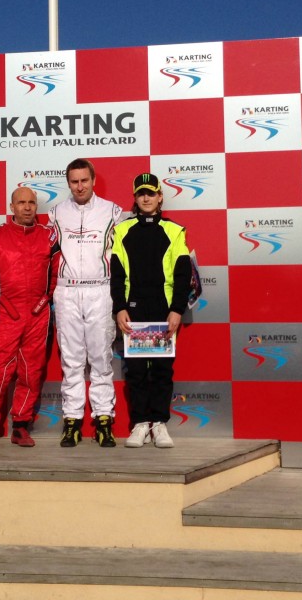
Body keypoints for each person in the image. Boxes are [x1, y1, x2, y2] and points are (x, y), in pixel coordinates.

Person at [0, 187, 61, 449]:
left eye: (32, 202)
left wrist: (46, 299)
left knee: (31, 371)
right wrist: (1, 301)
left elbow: (56, 273)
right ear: (12, 207)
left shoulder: (49, 235)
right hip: (8, 313)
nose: (28, 207)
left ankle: (21, 426)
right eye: (22, 202)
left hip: (39, 314)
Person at [111, 173, 191, 449]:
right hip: (133, 310)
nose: (146, 198)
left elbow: (183, 274)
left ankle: (159, 423)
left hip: (162, 308)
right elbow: (117, 274)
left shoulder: (174, 230)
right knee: (135, 371)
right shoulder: (122, 231)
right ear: (135, 198)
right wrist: (119, 307)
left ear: (160, 197)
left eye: (151, 193)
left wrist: (177, 309)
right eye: (140, 193)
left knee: (160, 369)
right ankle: (140, 423)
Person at [48, 158, 124, 448]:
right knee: (71, 361)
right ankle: (72, 422)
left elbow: (121, 257)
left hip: (100, 291)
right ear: (68, 183)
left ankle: (104, 420)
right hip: (66, 292)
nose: (79, 186)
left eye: (84, 180)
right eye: (74, 181)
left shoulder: (113, 211)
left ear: (93, 180)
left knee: (101, 360)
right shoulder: (56, 213)